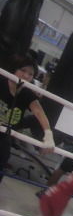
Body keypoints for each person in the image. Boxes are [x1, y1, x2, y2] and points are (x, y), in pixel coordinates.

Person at [0, 53, 54, 182]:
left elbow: (39, 111)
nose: (26, 76)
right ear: (14, 69)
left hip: (6, 133)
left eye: (30, 74)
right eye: (23, 70)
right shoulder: (2, 81)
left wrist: (48, 134)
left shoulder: (26, 92)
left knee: (2, 159)